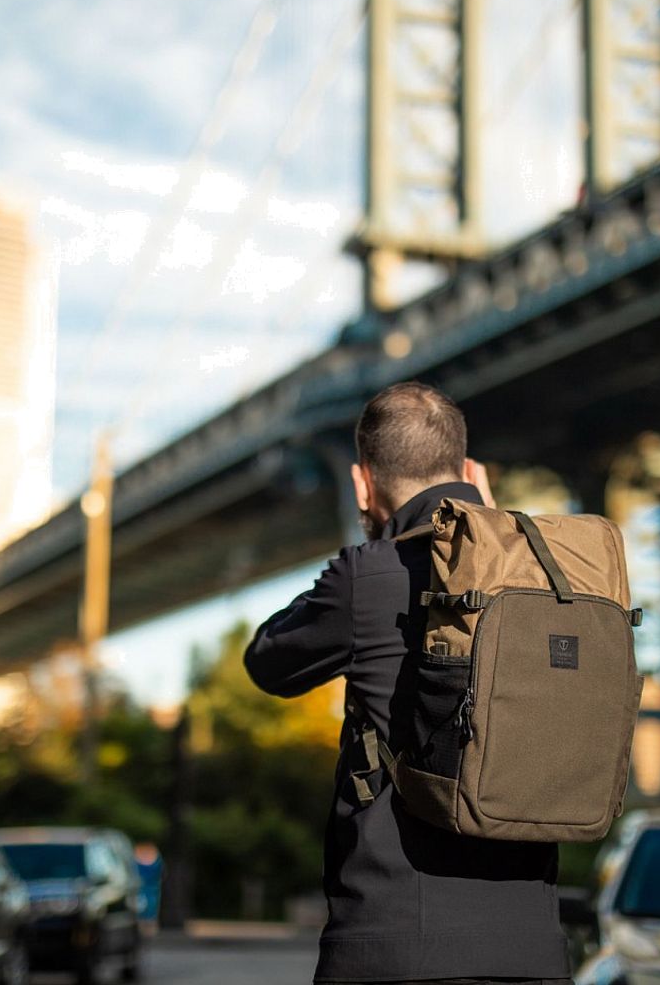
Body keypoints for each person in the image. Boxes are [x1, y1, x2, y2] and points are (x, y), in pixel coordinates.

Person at [244, 382, 573, 985]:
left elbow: (268, 661)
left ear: (362, 482)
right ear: (471, 471)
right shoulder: (556, 577)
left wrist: (374, 546)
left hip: (393, 948)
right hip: (534, 951)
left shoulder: (369, 573)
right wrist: (498, 535)